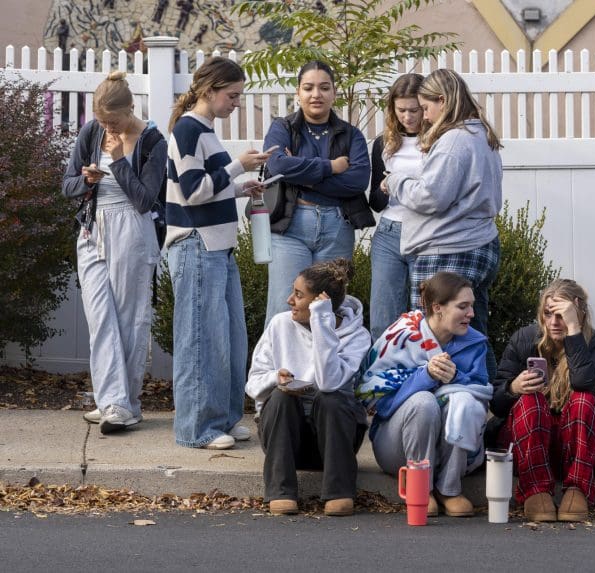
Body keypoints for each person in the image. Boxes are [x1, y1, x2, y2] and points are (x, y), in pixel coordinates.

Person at [166, 56, 270, 450]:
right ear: (209, 90)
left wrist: (243, 185)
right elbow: (193, 191)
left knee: (228, 338)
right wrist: (236, 168)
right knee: (200, 340)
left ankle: (224, 419)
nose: (236, 103)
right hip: (196, 245)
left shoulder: (204, 131)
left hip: (217, 247)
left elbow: (205, 187)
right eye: (233, 95)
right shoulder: (189, 130)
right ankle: (196, 429)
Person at [61, 71, 167, 434]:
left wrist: (119, 161)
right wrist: (86, 180)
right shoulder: (92, 131)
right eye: (103, 120)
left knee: (130, 320)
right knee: (99, 318)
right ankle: (113, 402)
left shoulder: (153, 141)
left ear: (131, 109)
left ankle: (125, 404)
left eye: (114, 121)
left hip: (132, 230)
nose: (108, 127)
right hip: (93, 228)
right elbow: (67, 185)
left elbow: (144, 200)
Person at [381, 68, 502, 377]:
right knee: (472, 332)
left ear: (443, 101)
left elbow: (431, 197)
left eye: (426, 107)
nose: (423, 116)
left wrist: (396, 181)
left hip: (447, 248)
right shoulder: (480, 134)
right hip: (478, 242)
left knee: (434, 335)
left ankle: (440, 405)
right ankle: (488, 402)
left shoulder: (454, 140)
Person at [356, 272, 492, 517]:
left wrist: (455, 378)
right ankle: (421, 488)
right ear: (437, 307)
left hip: (451, 448)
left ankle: (449, 489)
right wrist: (426, 376)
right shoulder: (401, 335)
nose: (471, 313)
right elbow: (381, 405)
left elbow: (482, 392)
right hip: (396, 446)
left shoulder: (475, 343)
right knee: (424, 402)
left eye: (471, 305)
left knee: (463, 400)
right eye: (463, 306)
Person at [247, 259, 370, 517]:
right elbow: (253, 384)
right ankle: (281, 492)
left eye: (299, 295)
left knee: (331, 397)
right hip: (285, 442)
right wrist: (275, 379)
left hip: (335, 442)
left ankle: (339, 493)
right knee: (281, 398)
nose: (290, 300)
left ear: (319, 303)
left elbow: (328, 382)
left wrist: (321, 323)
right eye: (293, 291)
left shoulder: (357, 336)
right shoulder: (280, 324)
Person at [490, 279, 595, 522]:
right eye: (548, 314)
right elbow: (496, 403)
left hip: (574, 447)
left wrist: (574, 332)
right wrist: (513, 387)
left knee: (584, 399)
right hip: (528, 446)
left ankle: (577, 489)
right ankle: (536, 492)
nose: (555, 323)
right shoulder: (524, 340)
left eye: (562, 315)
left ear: (579, 314)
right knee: (529, 401)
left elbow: (584, 382)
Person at [260, 60, 371, 325]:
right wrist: (332, 167)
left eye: (324, 88)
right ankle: (278, 368)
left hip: (336, 228)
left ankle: (324, 367)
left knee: (328, 308)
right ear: (298, 93)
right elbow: (276, 165)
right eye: (308, 88)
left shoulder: (351, 135)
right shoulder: (282, 128)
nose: (316, 94)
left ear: (334, 93)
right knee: (283, 308)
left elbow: (357, 181)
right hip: (290, 228)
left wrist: (301, 176)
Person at [368, 73, 424, 340]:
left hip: (425, 231)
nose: (408, 117)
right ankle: (379, 378)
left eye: (414, 110)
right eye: (400, 110)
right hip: (389, 231)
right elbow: (375, 202)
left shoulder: (439, 142)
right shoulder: (384, 142)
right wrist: (383, 187)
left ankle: (424, 376)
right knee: (382, 318)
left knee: (423, 317)